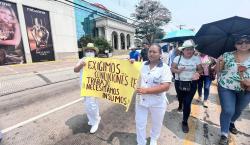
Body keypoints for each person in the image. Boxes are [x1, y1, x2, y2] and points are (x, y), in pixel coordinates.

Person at [135, 44, 172, 145]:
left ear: (160, 54)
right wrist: (131, 64)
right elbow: (130, 73)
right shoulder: (142, 65)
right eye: (150, 51)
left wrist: (146, 91)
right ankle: (141, 142)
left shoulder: (165, 68)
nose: (151, 54)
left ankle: (154, 138)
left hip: (157, 101)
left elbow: (165, 86)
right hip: (141, 100)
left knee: (157, 122)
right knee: (140, 123)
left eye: (154, 52)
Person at [217, 35, 250, 145]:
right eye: (240, 42)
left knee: (239, 110)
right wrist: (219, 63)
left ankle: (231, 122)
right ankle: (224, 134)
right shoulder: (227, 55)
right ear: (235, 44)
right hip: (226, 86)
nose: (243, 44)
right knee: (228, 110)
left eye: (246, 41)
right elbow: (219, 71)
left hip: (246, 89)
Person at [171, 40, 203, 133]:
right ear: (183, 50)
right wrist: (178, 71)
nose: (189, 51)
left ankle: (184, 121)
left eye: (191, 49)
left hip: (192, 83)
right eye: (187, 49)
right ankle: (180, 104)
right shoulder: (177, 58)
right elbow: (172, 69)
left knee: (188, 102)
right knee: (181, 98)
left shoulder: (196, 58)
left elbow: (200, 70)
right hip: (179, 82)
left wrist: (197, 73)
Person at [74, 43, 101, 134]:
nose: (89, 52)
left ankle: (95, 121)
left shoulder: (98, 61)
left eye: (91, 51)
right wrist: (81, 65)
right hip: (84, 86)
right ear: (85, 52)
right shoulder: (82, 60)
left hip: (94, 87)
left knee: (92, 104)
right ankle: (92, 119)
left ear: (94, 52)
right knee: (87, 104)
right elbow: (75, 70)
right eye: (87, 51)